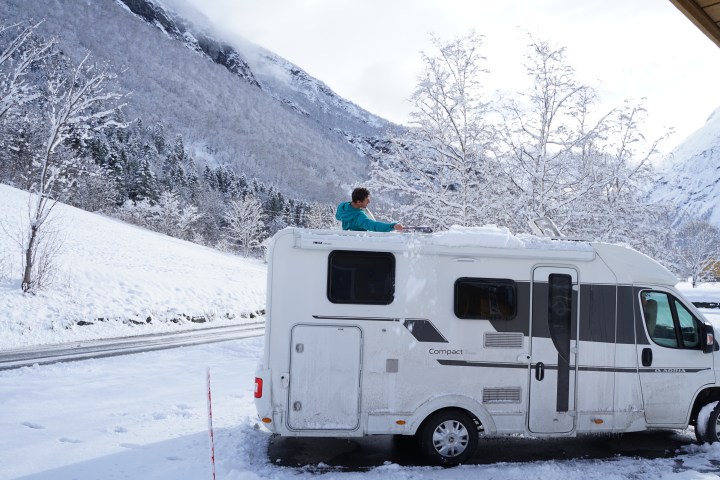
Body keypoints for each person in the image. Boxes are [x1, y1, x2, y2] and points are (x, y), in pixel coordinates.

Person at [335, 187, 403, 232]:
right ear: (358, 202)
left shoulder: (342, 207)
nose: (369, 202)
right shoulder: (359, 216)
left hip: (346, 241)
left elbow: (337, 217)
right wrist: (392, 226)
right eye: (367, 200)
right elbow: (374, 226)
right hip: (360, 245)